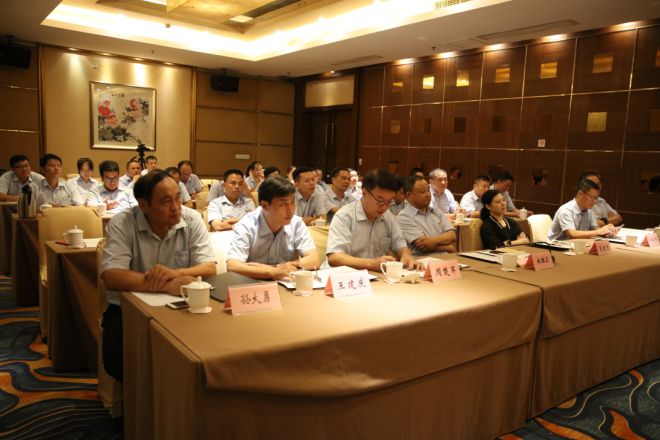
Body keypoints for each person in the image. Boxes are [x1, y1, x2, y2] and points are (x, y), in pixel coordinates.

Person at [101, 170, 216, 381]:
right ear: (144, 205)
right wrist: (167, 285)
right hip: (129, 310)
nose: (176, 207)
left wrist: (175, 273)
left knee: (208, 352)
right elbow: (112, 276)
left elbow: (209, 267)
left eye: (178, 198)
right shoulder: (123, 222)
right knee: (119, 363)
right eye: (166, 201)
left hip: (181, 306)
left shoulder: (191, 218)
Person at [325, 169, 421, 271]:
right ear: (364, 193)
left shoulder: (387, 216)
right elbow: (335, 258)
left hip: (375, 275)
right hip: (343, 275)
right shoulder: (344, 216)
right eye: (380, 201)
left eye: (389, 202)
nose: (385, 207)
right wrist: (371, 263)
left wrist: (405, 255)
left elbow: (399, 243)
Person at [226, 176, 319, 280]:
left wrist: (280, 268)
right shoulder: (247, 224)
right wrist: (273, 271)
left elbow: (314, 260)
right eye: (283, 204)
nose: (290, 209)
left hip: (286, 281)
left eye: (292, 202)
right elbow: (232, 266)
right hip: (255, 283)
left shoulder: (296, 222)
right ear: (265, 206)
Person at [397, 175, 457, 254]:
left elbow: (452, 235)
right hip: (423, 259)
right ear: (409, 195)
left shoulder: (437, 212)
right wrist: (449, 247)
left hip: (446, 259)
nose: (428, 195)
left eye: (428, 190)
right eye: (422, 192)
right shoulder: (404, 217)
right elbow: (423, 245)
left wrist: (434, 241)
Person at [547, 179, 618, 241]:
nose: (595, 201)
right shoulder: (566, 210)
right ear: (580, 194)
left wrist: (606, 231)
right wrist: (599, 231)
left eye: (596, 198)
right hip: (555, 247)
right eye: (593, 197)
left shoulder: (589, 211)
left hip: (576, 245)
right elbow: (572, 234)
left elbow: (593, 231)